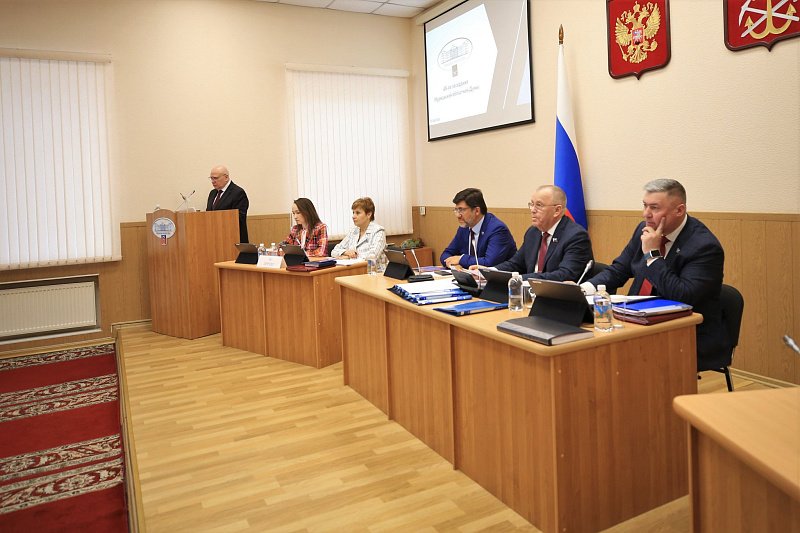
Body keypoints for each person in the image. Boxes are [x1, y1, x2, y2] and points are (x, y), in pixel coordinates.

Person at [581, 178, 727, 366]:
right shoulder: (644, 230)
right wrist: (583, 289)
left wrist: (652, 255)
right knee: (589, 346)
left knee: (612, 357)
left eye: (654, 208)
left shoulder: (703, 246)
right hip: (635, 320)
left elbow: (683, 296)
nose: (646, 214)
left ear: (679, 210)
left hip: (686, 332)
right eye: (645, 206)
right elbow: (619, 269)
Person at [487, 185, 593, 280]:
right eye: (531, 204)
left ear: (557, 210)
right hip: (529, 291)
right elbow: (516, 264)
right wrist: (490, 272)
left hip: (559, 294)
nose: (533, 210)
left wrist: (521, 279)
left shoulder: (576, 236)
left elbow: (564, 275)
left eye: (539, 205)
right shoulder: (533, 232)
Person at [440, 188, 517, 268]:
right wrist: (453, 264)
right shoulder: (464, 228)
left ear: (476, 211)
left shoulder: (497, 229)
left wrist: (461, 259)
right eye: (456, 210)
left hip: (498, 275)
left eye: (461, 210)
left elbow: (490, 263)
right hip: (470, 274)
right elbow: (446, 254)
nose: (458, 215)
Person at [206, 165, 249, 243]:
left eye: (215, 178)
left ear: (226, 177)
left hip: (232, 239)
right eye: (211, 178)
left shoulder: (238, 193)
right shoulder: (212, 193)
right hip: (214, 238)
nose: (213, 181)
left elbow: (239, 218)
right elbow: (208, 214)